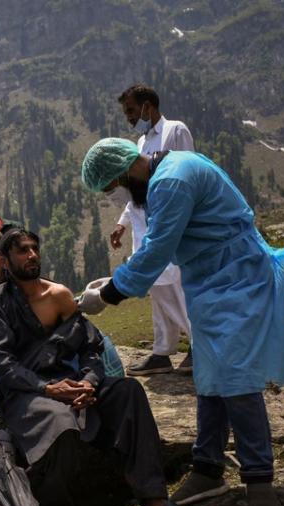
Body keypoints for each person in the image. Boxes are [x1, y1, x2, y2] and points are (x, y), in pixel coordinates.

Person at [79, 139, 284, 506]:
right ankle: (208, 467)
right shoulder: (171, 169)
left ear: (125, 171)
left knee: (238, 382)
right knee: (210, 378)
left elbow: (158, 249)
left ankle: (259, 480)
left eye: (114, 186)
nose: (119, 194)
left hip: (236, 278)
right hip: (210, 283)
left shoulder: (173, 180)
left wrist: (108, 294)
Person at [0, 229, 202, 506]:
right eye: (22, 251)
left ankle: (154, 499)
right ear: (5, 260)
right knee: (59, 421)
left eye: (34, 249)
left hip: (69, 384)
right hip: (27, 390)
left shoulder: (58, 296)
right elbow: (4, 365)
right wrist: (49, 389)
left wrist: (88, 381)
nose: (32, 255)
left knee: (129, 392)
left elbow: (90, 348)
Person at [109, 84, 195, 376]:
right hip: (144, 225)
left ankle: (198, 347)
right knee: (158, 289)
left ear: (148, 105)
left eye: (131, 110)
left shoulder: (175, 131)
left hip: (168, 225)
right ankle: (162, 351)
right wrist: (122, 223)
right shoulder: (140, 143)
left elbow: (187, 172)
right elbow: (137, 188)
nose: (130, 118)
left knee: (179, 287)